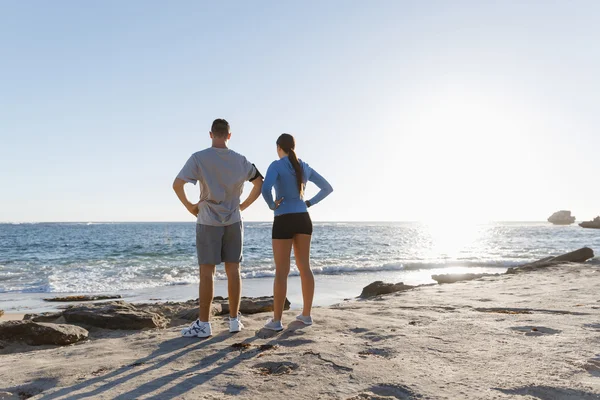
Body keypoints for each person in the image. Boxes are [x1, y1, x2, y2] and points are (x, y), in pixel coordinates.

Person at [173, 118, 263, 338]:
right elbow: (259, 182)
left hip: (207, 220)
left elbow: (177, 184)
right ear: (229, 136)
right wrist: (243, 206)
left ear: (211, 134)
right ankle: (233, 321)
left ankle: (204, 324)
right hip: (233, 219)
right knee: (234, 271)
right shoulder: (240, 160)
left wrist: (189, 207)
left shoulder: (199, 158)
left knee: (207, 273)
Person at [261, 133, 333, 331]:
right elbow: (327, 188)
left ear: (278, 147)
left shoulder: (275, 165)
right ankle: (306, 315)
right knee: (305, 268)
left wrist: (272, 205)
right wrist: (308, 202)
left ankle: (276, 321)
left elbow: (265, 189)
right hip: (303, 218)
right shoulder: (304, 166)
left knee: (281, 272)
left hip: (283, 219)